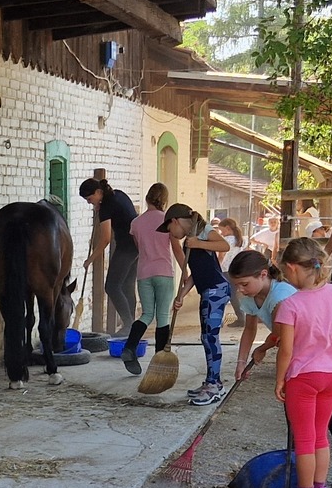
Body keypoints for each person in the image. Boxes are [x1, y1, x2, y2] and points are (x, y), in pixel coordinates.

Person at [227, 249, 332, 488]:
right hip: (312, 362)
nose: (240, 290)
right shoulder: (251, 297)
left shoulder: (284, 296)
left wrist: (268, 354)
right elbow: (250, 329)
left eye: (244, 284)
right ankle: (305, 475)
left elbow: (283, 336)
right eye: (237, 285)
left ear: (263, 275)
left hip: (307, 360)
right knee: (307, 426)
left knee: (319, 422)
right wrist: (242, 362)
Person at [268, 238, 332, 488]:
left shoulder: (290, 305)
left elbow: (286, 350)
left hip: (304, 376)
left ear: (292, 267)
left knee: (304, 440)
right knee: (320, 436)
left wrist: (280, 379)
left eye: (286, 273)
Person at [121, 182, 188, 376]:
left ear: (147, 198)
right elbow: (176, 249)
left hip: (144, 273)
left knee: (146, 314)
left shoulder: (136, 223)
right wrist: (185, 273)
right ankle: (159, 362)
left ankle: (130, 347)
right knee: (163, 317)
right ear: (164, 200)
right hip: (164, 272)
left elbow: (139, 248)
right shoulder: (167, 221)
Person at [167, 205, 230, 405]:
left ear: (176, 221)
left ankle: (215, 385)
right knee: (206, 337)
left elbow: (224, 246)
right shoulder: (189, 241)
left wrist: (199, 243)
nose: (171, 234)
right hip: (207, 291)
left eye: (170, 228)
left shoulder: (203, 231)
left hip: (216, 290)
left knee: (210, 337)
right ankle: (212, 381)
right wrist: (181, 295)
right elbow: (196, 273)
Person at [81, 171, 139, 336]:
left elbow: (105, 238)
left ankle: (128, 325)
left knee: (112, 286)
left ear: (98, 192)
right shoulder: (118, 194)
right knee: (127, 285)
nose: (89, 203)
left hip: (126, 247)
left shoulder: (106, 207)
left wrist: (90, 259)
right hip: (137, 245)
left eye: (90, 199)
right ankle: (132, 326)